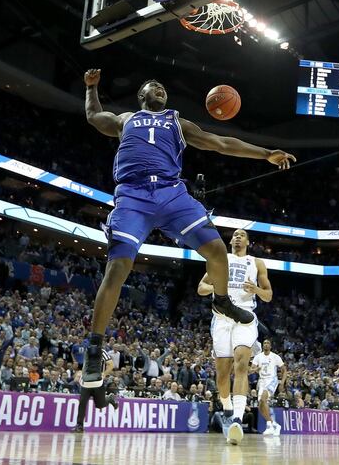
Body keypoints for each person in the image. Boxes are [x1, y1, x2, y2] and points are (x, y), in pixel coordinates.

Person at [81, 69, 295, 388]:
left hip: (172, 192)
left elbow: (219, 143)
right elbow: (94, 115)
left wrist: (265, 153)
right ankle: (94, 349)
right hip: (133, 194)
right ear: (142, 95)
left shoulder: (176, 121)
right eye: (155, 86)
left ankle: (221, 300)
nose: (161, 90)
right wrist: (92, 88)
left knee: (217, 250)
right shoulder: (125, 119)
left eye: (164, 88)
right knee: (118, 268)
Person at [197, 229, 273, 445]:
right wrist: (216, 286)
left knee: (241, 364)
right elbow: (201, 288)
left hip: (245, 316)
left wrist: (256, 289)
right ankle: (228, 409)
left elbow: (268, 295)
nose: (238, 237)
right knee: (222, 374)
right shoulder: (220, 258)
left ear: (248, 241)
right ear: (230, 240)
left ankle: (237, 418)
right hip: (221, 318)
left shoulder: (256, 263)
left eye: (242, 235)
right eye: (235, 235)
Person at [73, 349, 118, 433]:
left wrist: (104, 374)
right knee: (82, 402)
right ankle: (79, 426)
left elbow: (111, 365)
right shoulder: (88, 352)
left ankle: (109, 399)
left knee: (100, 405)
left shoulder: (102, 352)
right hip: (86, 382)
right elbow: (84, 366)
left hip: (97, 382)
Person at [251, 339, 285, 436]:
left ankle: (269, 425)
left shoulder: (275, 357)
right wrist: (256, 369)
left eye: (268, 343)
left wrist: (282, 382)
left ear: (270, 346)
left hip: (272, 380)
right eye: (264, 343)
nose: (266, 345)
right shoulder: (258, 357)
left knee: (263, 399)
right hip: (262, 381)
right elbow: (251, 370)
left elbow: (284, 370)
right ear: (262, 346)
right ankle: (275, 425)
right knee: (261, 405)